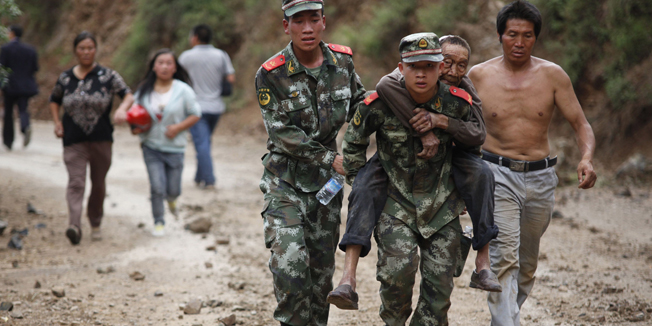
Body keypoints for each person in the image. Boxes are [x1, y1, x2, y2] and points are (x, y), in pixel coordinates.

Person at [328, 34, 502, 312]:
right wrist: (355, 173)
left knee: (482, 173)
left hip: (444, 182)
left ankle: (483, 262)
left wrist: (440, 122)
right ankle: (348, 277)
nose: (452, 72)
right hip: (395, 180)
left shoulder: (460, 97)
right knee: (364, 185)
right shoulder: (388, 91)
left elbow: (477, 134)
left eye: (460, 65)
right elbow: (359, 132)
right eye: (447, 63)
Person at [467, 1, 597, 325]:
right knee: (504, 260)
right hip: (496, 173)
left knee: (526, 266)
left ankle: (509, 316)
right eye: (512, 34)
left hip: (541, 178)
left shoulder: (553, 76)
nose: (519, 42)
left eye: (527, 35)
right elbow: (459, 126)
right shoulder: (479, 76)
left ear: (536, 37)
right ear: (500, 35)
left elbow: (581, 124)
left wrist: (587, 158)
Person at [255, 1, 367, 324]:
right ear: (285, 26)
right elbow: (282, 134)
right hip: (284, 183)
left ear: (323, 22)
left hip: (326, 189)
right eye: (298, 21)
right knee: (290, 267)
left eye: (312, 20)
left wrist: (357, 149)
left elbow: (361, 107)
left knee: (320, 280)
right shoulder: (271, 73)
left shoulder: (342, 63)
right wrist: (332, 158)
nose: (306, 28)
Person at [49, 31, 134, 245]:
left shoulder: (108, 76)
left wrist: (122, 109)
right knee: (76, 182)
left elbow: (128, 94)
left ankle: (95, 222)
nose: (86, 52)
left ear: (95, 50)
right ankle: (74, 226)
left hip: (101, 138)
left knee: (98, 183)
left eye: (90, 48)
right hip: (73, 139)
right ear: (75, 51)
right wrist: (57, 122)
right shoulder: (66, 77)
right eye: (82, 48)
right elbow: (54, 99)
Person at [116, 49, 201, 237]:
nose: (164, 66)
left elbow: (196, 113)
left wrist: (178, 127)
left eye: (168, 63)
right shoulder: (144, 89)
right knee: (156, 186)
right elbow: (134, 113)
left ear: (174, 67)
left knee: (173, 189)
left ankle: (172, 201)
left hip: (175, 147)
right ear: (154, 66)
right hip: (151, 146)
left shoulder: (183, 90)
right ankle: (159, 221)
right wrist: (133, 124)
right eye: (160, 62)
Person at [178, 24, 235, 190]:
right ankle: (199, 176)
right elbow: (230, 77)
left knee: (201, 143)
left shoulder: (186, 57)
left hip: (195, 108)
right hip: (216, 107)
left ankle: (209, 180)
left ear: (195, 37)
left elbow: (178, 80)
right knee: (204, 142)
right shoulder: (221, 55)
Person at [1, 25, 39, 150]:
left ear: (12, 33)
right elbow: (35, 68)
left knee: (9, 113)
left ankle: (8, 141)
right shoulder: (30, 50)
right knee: (23, 109)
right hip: (26, 86)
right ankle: (25, 126)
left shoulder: (5, 49)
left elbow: (2, 69)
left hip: (10, 86)